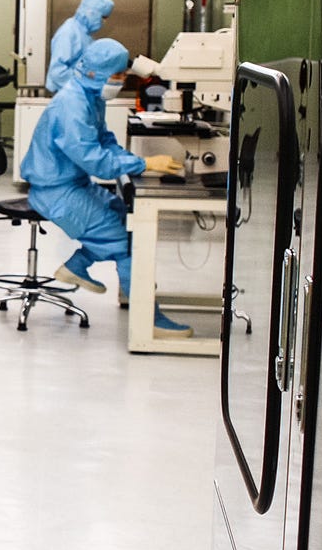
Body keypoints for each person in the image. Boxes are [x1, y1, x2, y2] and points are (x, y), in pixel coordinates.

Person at [21, 38, 193, 338]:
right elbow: (94, 160)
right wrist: (144, 165)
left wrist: (134, 160)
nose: (122, 80)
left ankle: (78, 265)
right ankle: (148, 322)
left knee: (121, 215)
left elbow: (105, 140)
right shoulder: (72, 105)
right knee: (123, 243)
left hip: (71, 183)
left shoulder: (90, 97)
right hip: (56, 192)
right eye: (118, 76)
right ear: (95, 73)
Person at [46, 0, 115, 93]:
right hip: (67, 94)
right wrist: (86, 83)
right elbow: (58, 72)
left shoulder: (84, 34)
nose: (103, 22)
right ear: (92, 12)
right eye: (103, 17)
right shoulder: (69, 32)